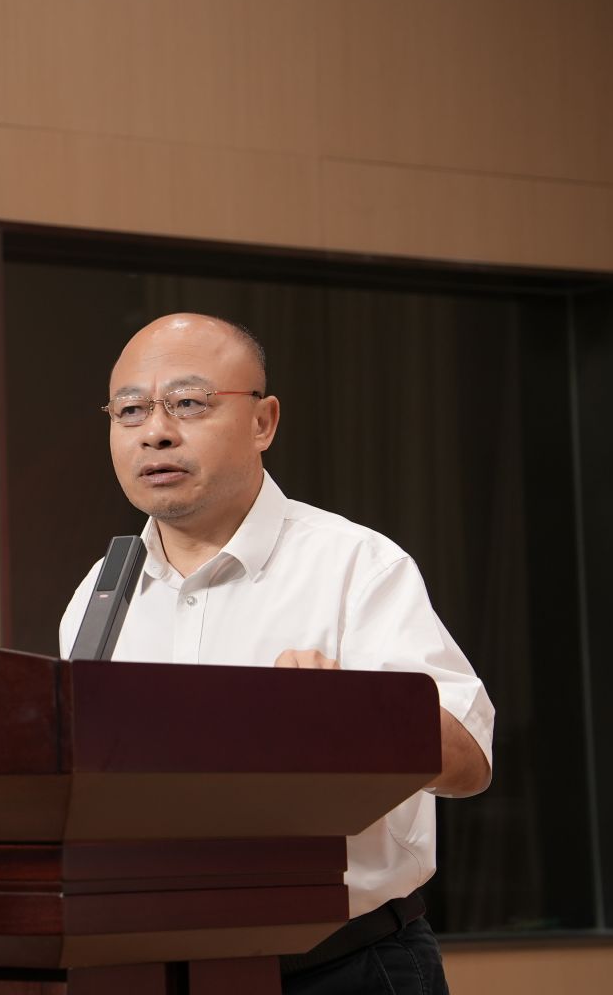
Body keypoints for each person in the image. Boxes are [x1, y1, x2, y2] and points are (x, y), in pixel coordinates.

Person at [57, 313, 494, 995]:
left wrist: (351, 716)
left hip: (341, 968)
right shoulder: (101, 592)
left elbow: (469, 761)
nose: (155, 432)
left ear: (263, 422)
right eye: (131, 410)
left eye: (189, 403)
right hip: (150, 968)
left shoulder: (355, 564)